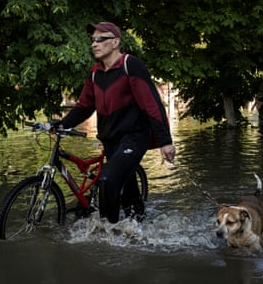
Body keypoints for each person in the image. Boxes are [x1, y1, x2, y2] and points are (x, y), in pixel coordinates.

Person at [57, 21, 175, 224]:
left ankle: (107, 233)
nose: (94, 44)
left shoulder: (131, 65)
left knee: (107, 178)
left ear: (115, 42)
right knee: (127, 188)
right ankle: (139, 221)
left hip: (135, 136)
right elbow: (84, 106)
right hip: (110, 140)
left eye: (100, 39)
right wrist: (61, 124)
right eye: (93, 40)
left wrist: (165, 141)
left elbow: (152, 105)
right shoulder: (94, 74)